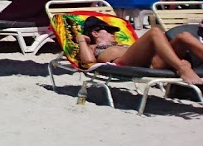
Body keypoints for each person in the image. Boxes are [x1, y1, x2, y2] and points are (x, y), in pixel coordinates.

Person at [75, 20, 203, 85]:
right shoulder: (92, 47)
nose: (113, 34)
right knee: (154, 32)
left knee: (184, 36)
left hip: (152, 61)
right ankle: (182, 68)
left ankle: (180, 65)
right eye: (108, 31)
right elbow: (88, 62)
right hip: (123, 62)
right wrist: (81, 40)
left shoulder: (118, 43)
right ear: (95, 33)